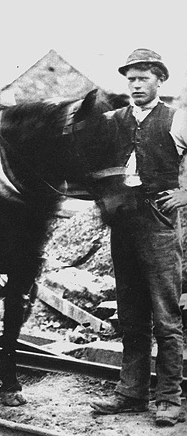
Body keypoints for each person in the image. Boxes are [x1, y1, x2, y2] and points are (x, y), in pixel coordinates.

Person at [90, 49, 187, 427]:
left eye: (143, 78)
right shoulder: (114, 120)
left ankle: (168, 398)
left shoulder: (176, 119)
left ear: (159, 80)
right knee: (131, 314)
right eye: (130, 78)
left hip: (159, 220)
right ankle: (131, 393)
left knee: (166, 316)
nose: (135, 84)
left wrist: (185, 194)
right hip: (124, 223)